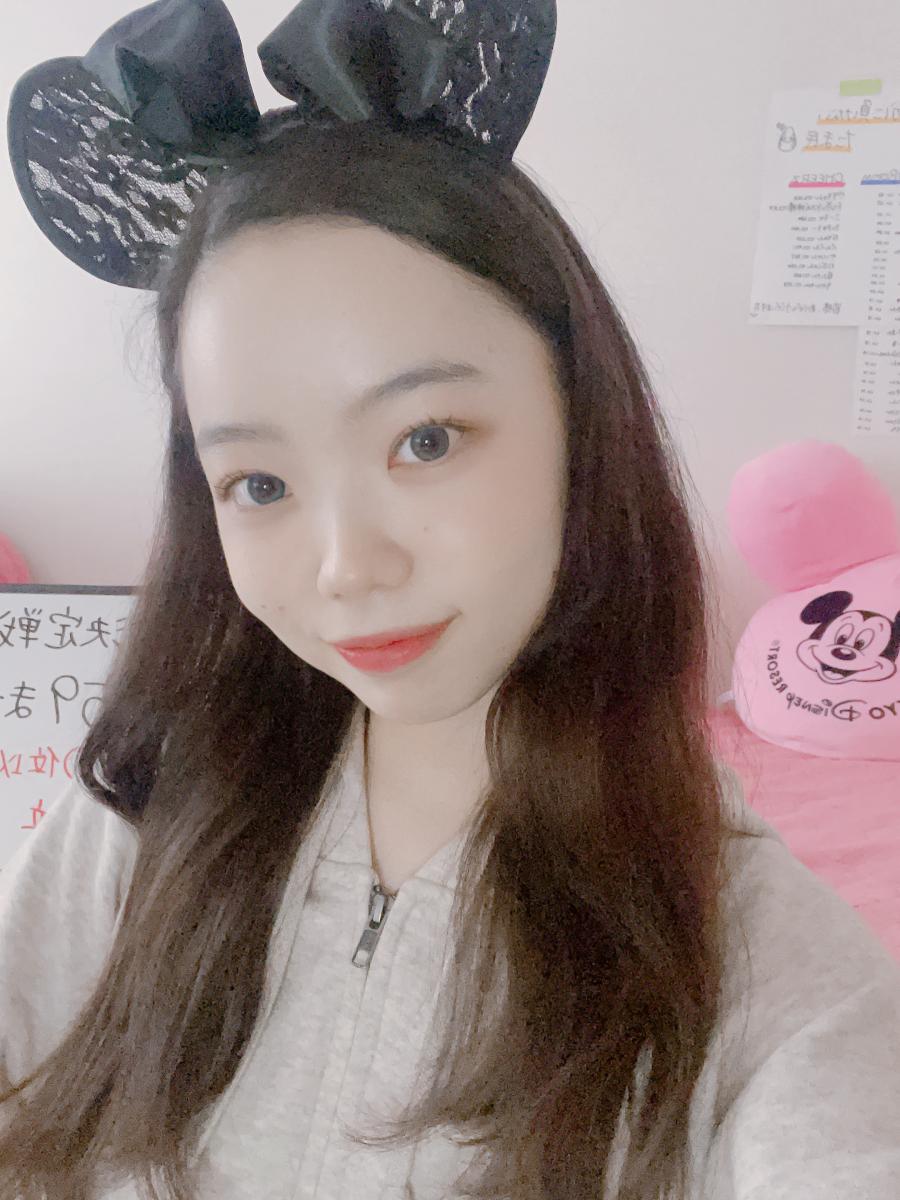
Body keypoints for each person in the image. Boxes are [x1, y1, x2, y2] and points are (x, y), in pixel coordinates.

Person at [2, 2, 899, 1199]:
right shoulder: (140, 816)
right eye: (259, 482)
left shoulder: (758, 964)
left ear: (581, 426)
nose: (346, 565)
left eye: (425, 439)